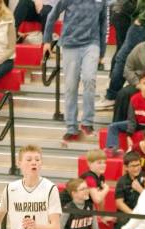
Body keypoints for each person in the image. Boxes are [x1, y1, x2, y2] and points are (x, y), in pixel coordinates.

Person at [43, 0, 107, 142]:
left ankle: (87, 123)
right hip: (70, 44)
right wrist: (47, 40)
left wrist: (102, 51)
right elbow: (52, 15)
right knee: (71, 86)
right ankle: (71, 126)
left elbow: (103, 24)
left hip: (92, 43)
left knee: (89, 79)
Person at [95, 0, 145, 110]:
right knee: (126, 58)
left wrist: (140, 19)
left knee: (123, 59)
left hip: (144, 24)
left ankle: (112, 96)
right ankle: (115, 95)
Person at [113, 151, 144, 229]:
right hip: (127, 212)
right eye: (133, 166)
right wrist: (133, 214)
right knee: (122, 222)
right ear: (126, 167)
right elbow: (119, 203)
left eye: (138, 165)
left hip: (143, 212)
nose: (136, 168)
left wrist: (141, 190)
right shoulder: (121, 181)